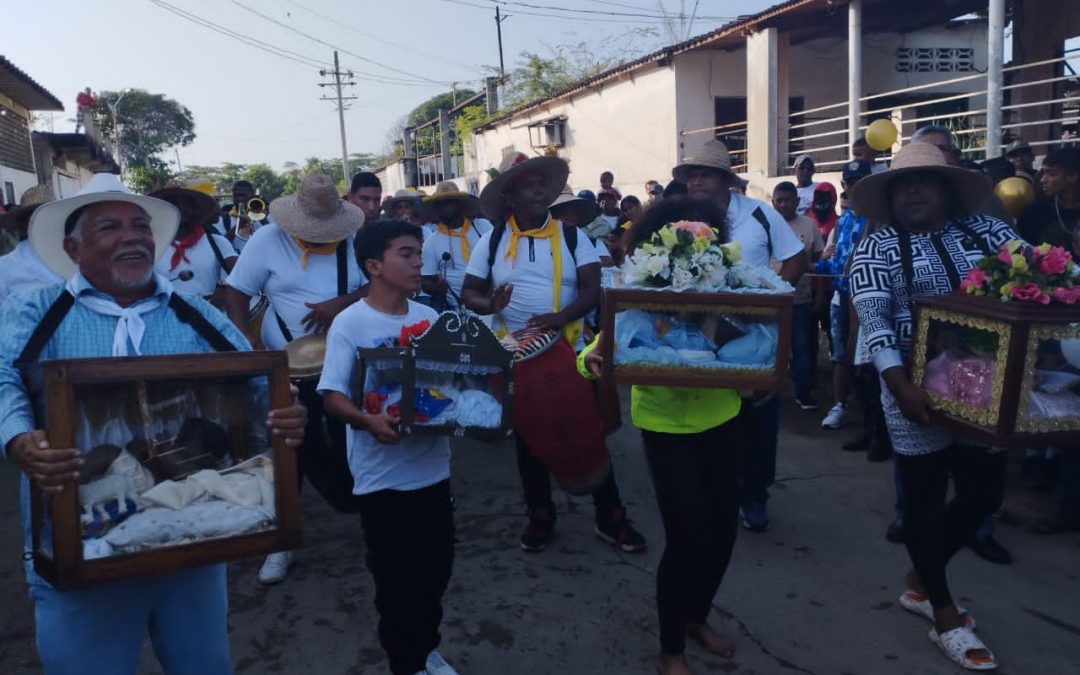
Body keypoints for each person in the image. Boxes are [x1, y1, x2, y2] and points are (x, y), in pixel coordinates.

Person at [0, 172, 306, 675]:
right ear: (73, 248)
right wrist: (17, 437)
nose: (132, 236)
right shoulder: (34, 310)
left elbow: (255, 378)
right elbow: (3, 376)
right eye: (110, 227)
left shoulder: (192, 312)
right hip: (79, 540)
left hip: (188, 532)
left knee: (203, 665)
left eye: (141, 225)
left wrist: (284, 408)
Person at [849, 143, 1018, 671]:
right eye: (902, 184)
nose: (913, 191)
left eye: (924, 181)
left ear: (946, 188)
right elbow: (874, 321)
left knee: (984, 491)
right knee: (921, 498)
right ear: (890, 196)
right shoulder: (874, 247)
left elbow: (1039, 277)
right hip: (911, 387)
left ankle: (924, 575)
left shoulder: (987, 234)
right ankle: (943, 612)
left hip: (983, 385)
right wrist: (900, 385)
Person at [580, 198, 743, 675]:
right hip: (665, 425)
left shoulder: (729, 277)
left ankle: (697, 617)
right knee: (687, 533)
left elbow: (756, 328)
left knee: (723, 532)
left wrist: (761, 370)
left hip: (722, 416)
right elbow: (609, 334)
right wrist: (588, 358)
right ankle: (671, 648)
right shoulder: (640, 282)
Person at [461, 151, 646, 554]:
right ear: (511, 195)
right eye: (530, 184)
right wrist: (489, 304)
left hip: (573, 352)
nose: (540, 190)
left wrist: (559, 317)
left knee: (587, 433)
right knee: (531, 443)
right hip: (516, 357)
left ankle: (610, 518)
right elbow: (468, 292)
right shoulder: (492, 241)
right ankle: (540, 515)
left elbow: (591, 288)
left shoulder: (572, 235)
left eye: (542, 183)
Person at [319, 219, 459, 675]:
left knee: (436, 573)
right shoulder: (350, 322)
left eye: (418, 252)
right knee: (397, 581)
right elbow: (333, 396)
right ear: (374, 265)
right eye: (406, 253)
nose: (419, 261)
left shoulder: (431, 319)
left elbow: (452, 382)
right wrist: (366, 419)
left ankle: (425, 648)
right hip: (381, 480)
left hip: (433, 471)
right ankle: (407, 662)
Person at [225, 173, 366, 585]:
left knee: (352, 441)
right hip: (284, 367)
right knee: (288, 451)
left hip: (345, 362)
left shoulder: (354, 241)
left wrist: (342, 301)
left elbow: (377, 283)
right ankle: (280, 542)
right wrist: (249, 350)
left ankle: (365, 515)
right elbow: (236, 293)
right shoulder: (267, 241)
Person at [673, 139, 808, 532]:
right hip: (696, 331)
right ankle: (715, 491)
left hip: (756, 331)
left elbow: (797, 259)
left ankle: (754, 496)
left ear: (724, 180)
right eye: (691, 174)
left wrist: (773, 299)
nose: (696, 182)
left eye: (705, 174)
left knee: (758, 419)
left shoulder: (760, 215)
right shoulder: (678, 219)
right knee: (708, 414)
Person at [910, 126, 1014, 565]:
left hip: (985, 369)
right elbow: (873, 304)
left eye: (938, 162)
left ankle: (970, 533)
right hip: (913, 376)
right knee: (923, 492)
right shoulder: (887, 230)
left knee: (982, 489)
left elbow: (1031, 267)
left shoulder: (985, 221)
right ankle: (930, 583)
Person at [814, 163, 869, 432]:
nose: (855, 186)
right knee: (839, 355)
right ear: (844, 186)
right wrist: (816, 263)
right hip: (840, 296)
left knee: (867, 356)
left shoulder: (880, 218)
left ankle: (871, 416)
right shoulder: (842, 221)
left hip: (868, 299)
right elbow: (832, 262)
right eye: (850, 182)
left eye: (860, 180)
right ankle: (839, 406)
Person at [771, 181, 824, 411]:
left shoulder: (809, 226)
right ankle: (768, 390)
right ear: (773, 202)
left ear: (797, 201)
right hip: (768, 299)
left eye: (787, 200)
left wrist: (820, 295)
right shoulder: (765, 223)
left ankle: (803, 392)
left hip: (800, 299)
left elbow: (821, 264)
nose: (783, 204)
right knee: (770, 346)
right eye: (778, 200)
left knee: (801, 347)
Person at [151, 179, 238, 303]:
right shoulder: (151, 246)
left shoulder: (217, 242)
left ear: (195, 209)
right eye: (174, 204)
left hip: (212, 317)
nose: (181, 208)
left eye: (187, 203)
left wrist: (225, 288)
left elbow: (241, 277)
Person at [419, 181, 493, 310]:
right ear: (436, 208)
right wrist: (438, 287)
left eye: (451, 201)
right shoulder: (431, 243)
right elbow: (425, 280)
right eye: (441, 203)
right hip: (457, 309)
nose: (447, 207)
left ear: (460, 205)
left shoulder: (483, 226)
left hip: (491, 302)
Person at [0, 183, 62, 305]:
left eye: (49, 216)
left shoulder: (75, 256)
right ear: (24, 223)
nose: (44, 222)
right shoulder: (6, 266)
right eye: (36, 216)